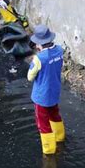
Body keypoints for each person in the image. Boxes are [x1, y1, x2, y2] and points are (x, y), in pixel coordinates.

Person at [27, 24, 65, 155]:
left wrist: (34, 61)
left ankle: (49, 151)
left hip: (41, 96)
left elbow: (30, 77)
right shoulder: (60, 50)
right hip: (54, 91)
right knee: (55, 114)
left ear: (39, 44)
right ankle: (60, 137)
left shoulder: (39, 58)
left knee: (43, 122)